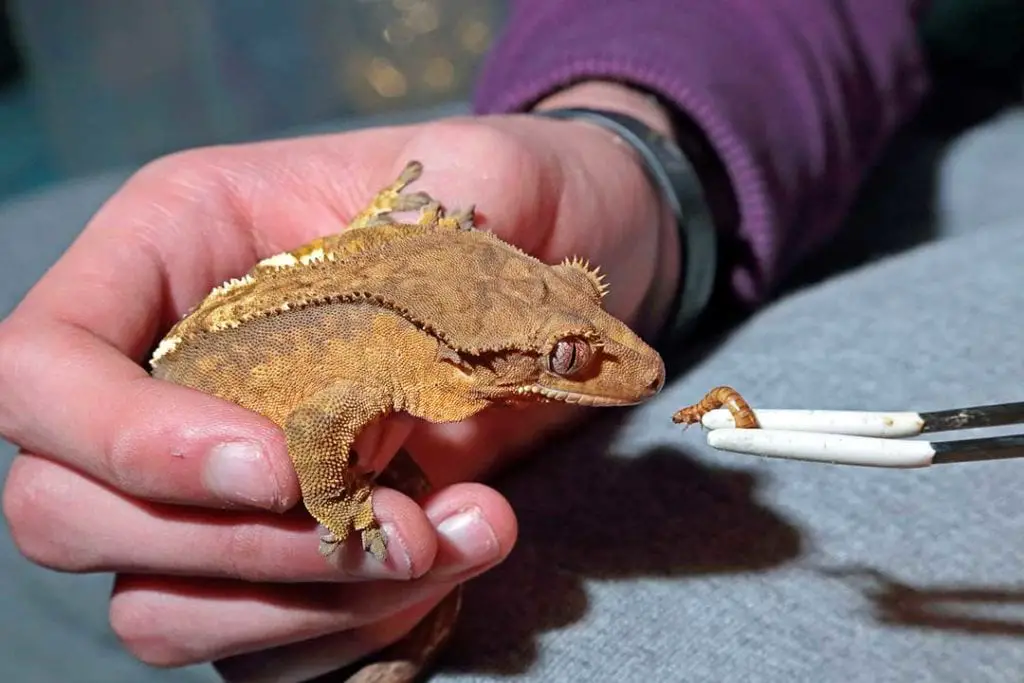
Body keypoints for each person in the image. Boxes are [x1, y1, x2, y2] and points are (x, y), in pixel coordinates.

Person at [0, 1, 933, 681]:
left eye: (585, 313)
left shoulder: (433, 307)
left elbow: (356, 333)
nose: (626, 358)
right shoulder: (399, 350)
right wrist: (334, 500)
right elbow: (324, 421)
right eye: (573, 346)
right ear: (467, 355)